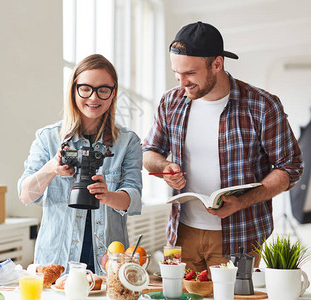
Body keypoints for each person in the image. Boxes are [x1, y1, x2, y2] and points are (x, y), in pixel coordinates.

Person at [142, 21, 303, 272]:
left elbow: (291, 167)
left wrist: (241, 201)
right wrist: (165, 167)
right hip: (181, 233)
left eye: (190, 73)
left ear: (217, 64)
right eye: (177, 72)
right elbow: (149, 152)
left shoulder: (262, 105)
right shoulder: (170, 101)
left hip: (240, 237)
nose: (181, 81)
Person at [18, 54, 143, 274]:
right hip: (56, 260)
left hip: (108, 261)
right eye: (85, 88)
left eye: (103, 90)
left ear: (113, 93)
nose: (94, 98)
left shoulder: (127, 141)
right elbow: (26, 195)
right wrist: (51, 168)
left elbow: (133, 199)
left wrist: (108, 195)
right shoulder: (48, 138)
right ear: (74, 89)